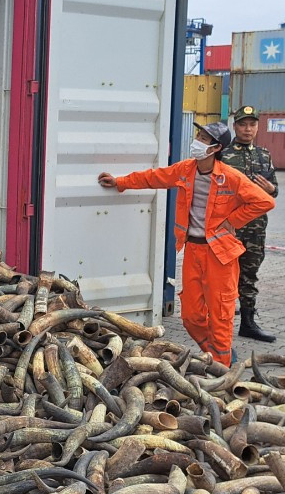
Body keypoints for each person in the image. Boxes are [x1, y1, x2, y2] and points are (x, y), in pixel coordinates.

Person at [97, 121, 274, 367]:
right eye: (199, 135)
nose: (197, 141)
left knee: (220, 314)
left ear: (215, 148)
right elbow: (153, 178)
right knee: (190, 316)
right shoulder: (186, 170)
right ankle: (215, 352)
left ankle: (221, 371)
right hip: (193, 249)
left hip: (220, 255)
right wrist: (120, 182)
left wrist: (233, 220)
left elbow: (264, 201)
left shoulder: (230, 177)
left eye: (203, 138)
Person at [222, 105, 279, 342]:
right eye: (243, 124)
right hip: (229, 226)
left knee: (250, 273)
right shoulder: (222, 155)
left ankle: (247, 323)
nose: (248, 129)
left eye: (252, 124)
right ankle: (217, 321)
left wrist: (272, 189)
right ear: (235, 126)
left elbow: (274, 190)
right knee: (224, 275)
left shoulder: (263, 155)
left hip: (255, 227)